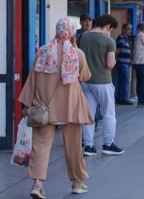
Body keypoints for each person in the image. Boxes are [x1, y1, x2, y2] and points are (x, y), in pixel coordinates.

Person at [18, 17, 93, 198]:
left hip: (44, 106)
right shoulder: (77, 54)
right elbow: (85, 76)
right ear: (71, 33)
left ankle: (37, 184)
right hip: (70, 107)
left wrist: (26, 105)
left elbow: (32, 80)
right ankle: (77, 182)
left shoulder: (43, 52)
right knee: (74, 146)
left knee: (41, 145)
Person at [80, 14, 124, 156]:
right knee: (108, 113)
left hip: (85, 81)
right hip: (103, 82)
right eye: (110, 29)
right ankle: (108, 144)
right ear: (107, 26)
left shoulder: (82, 37)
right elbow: (110, 64)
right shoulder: (109, 41)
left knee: (89, 115)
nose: (109, 32)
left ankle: (88, 146)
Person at [114, 24, 133, 105]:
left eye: (130, 29)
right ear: (124, 29)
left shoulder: (126, 39)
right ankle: (123, 98)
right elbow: (117, 50)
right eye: (128, 29)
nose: (130, 31)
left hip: (125, 62)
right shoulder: (121, 38)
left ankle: (121, 98)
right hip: (122, 62)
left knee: (123, 80)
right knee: (125, 80)